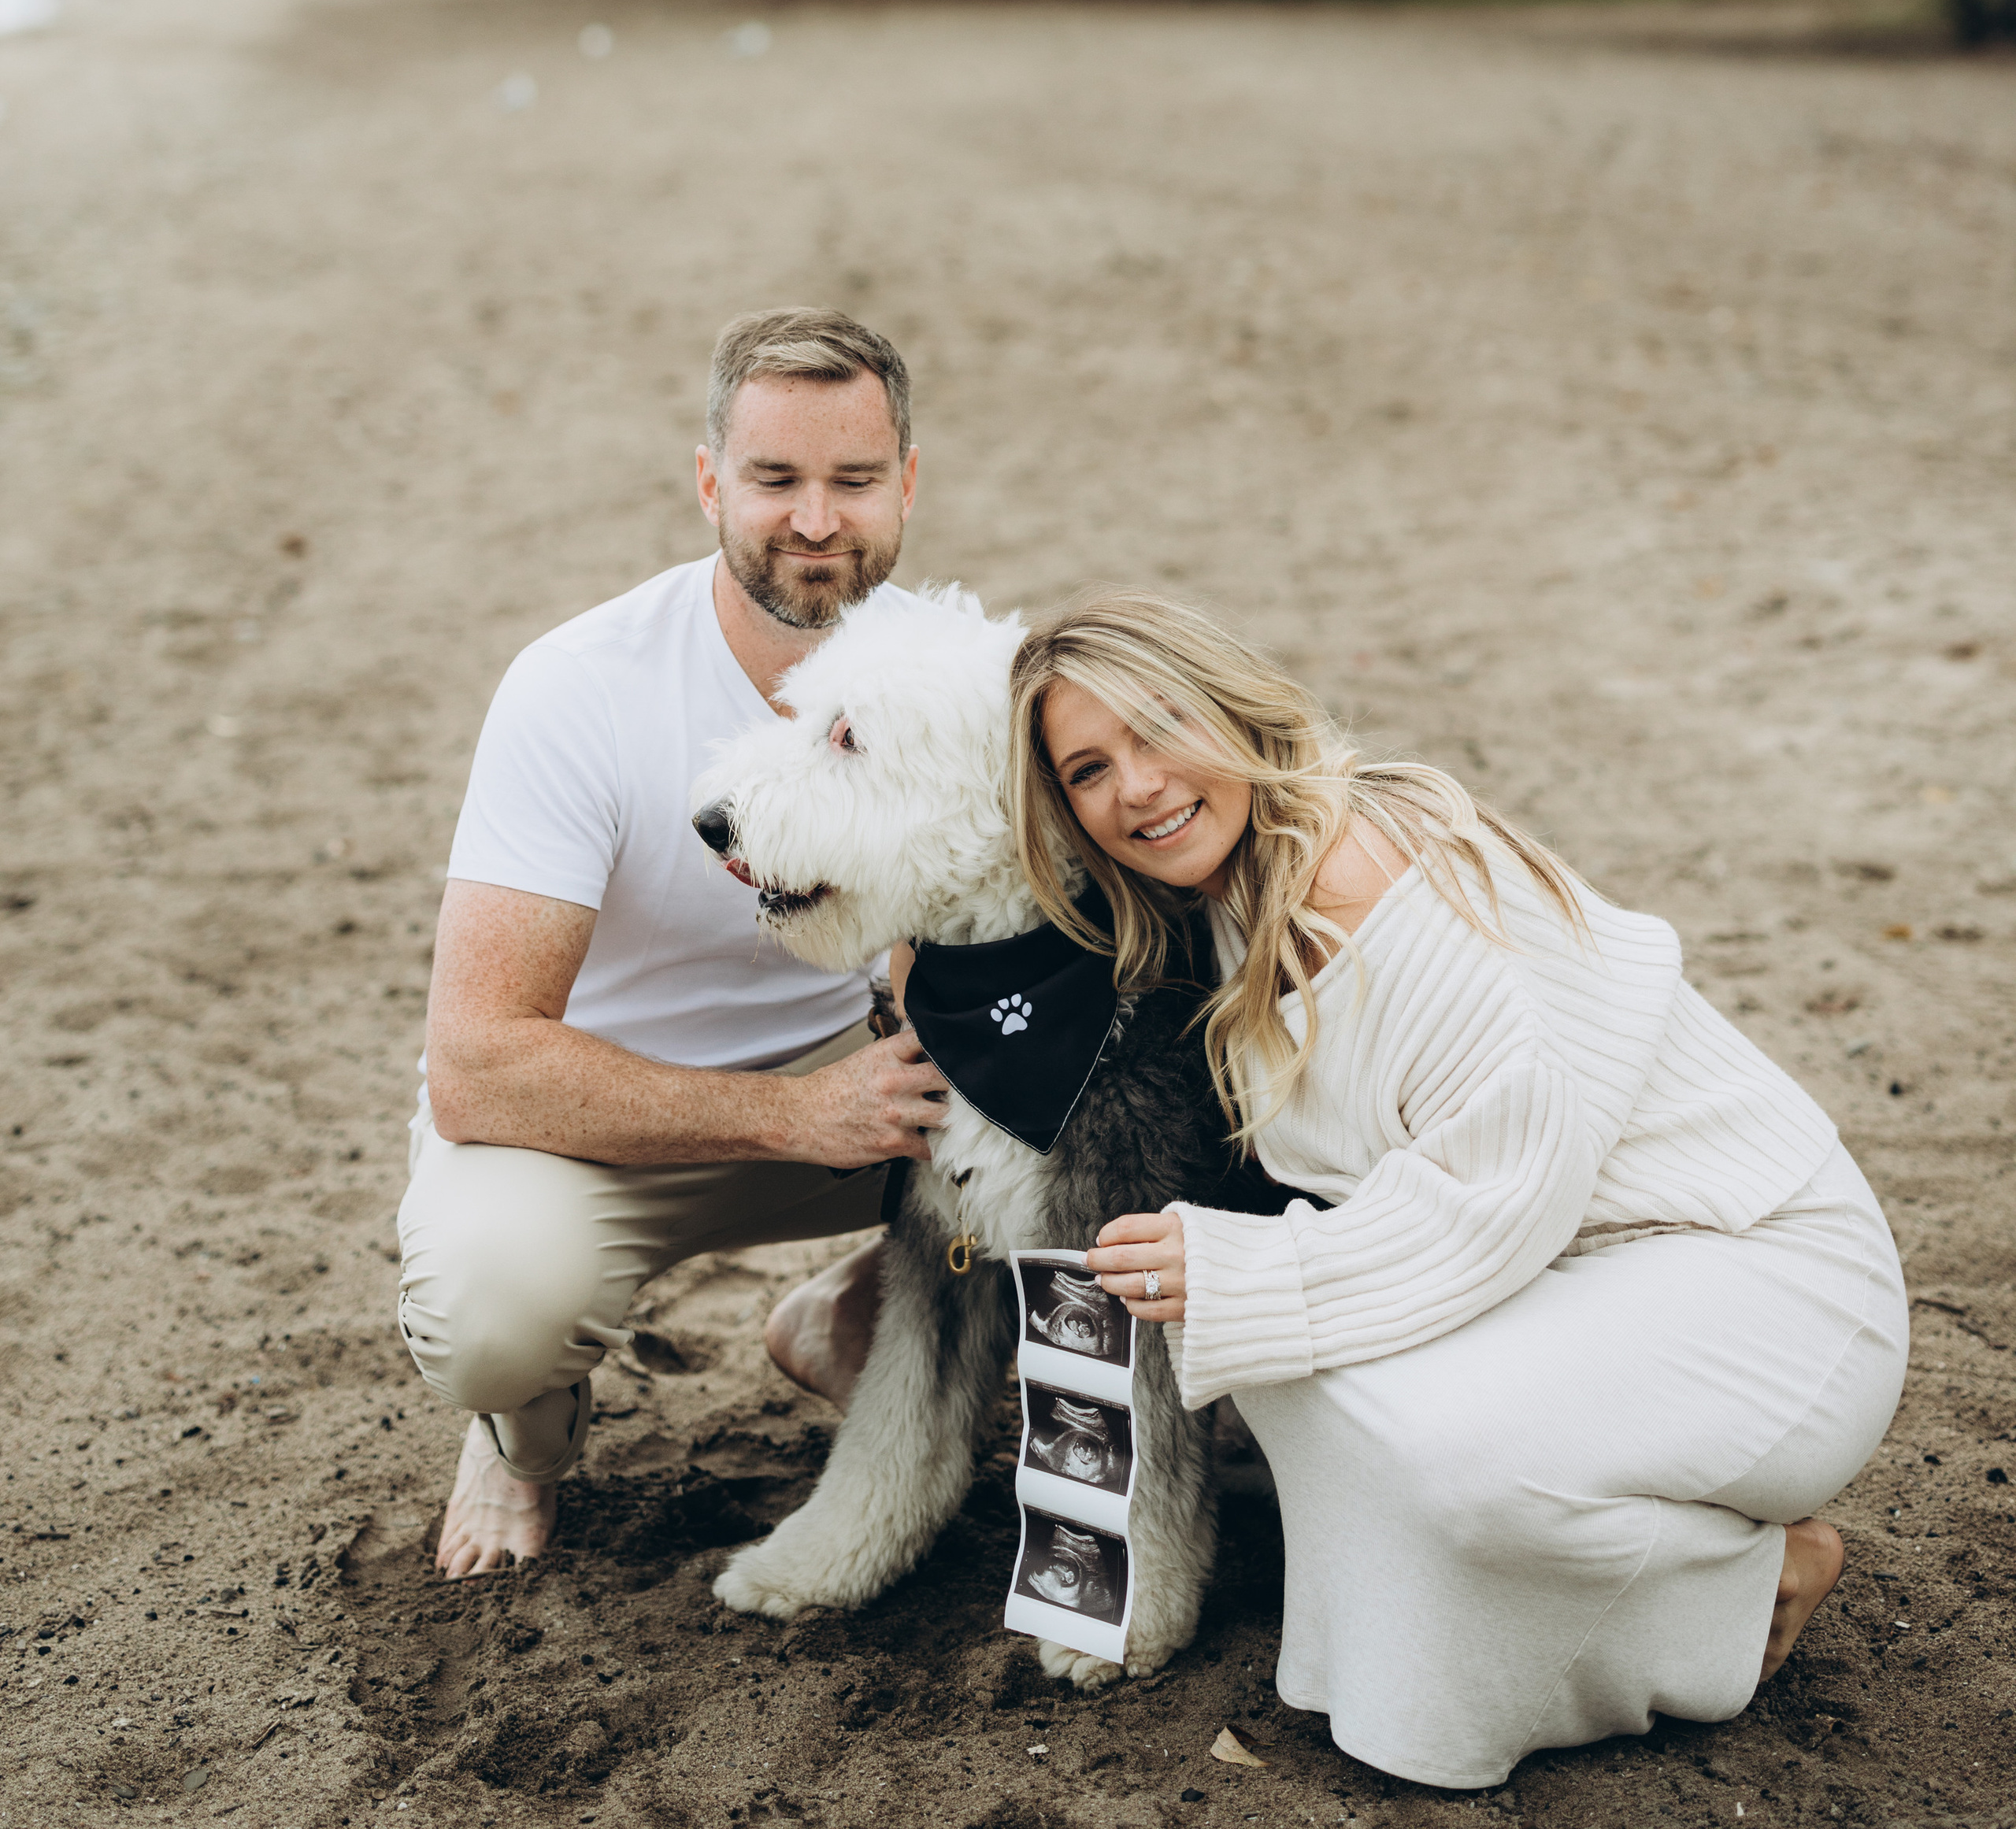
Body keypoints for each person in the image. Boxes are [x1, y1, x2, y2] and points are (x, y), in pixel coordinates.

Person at [1005, 591, 1907, 1794]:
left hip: (1754, 1265)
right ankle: (1457, 1636)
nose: (1138, 785)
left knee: (1438, 1452)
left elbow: (1510, 1182)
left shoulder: (1362, 865)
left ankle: (1743, 1592)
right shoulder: (1222, 903)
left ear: (1228, 704)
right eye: (1088, 768)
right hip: (1569, 1273)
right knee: (1295, 1372)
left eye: (1161, 725)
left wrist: (1244, 1267)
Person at [397, 309, 950, 1579]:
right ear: (709, 482)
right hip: (600, 1118)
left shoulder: (949, 674)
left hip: (873, 1102)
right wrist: (790, 1118)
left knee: (1105, 1123)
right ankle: (520, 1435)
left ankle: (855, 1316)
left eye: (854, 480)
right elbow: (478, 1062)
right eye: (775, 480)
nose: (816, 519)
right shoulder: (578, 686)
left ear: (907, 486)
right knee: (494, 1314)